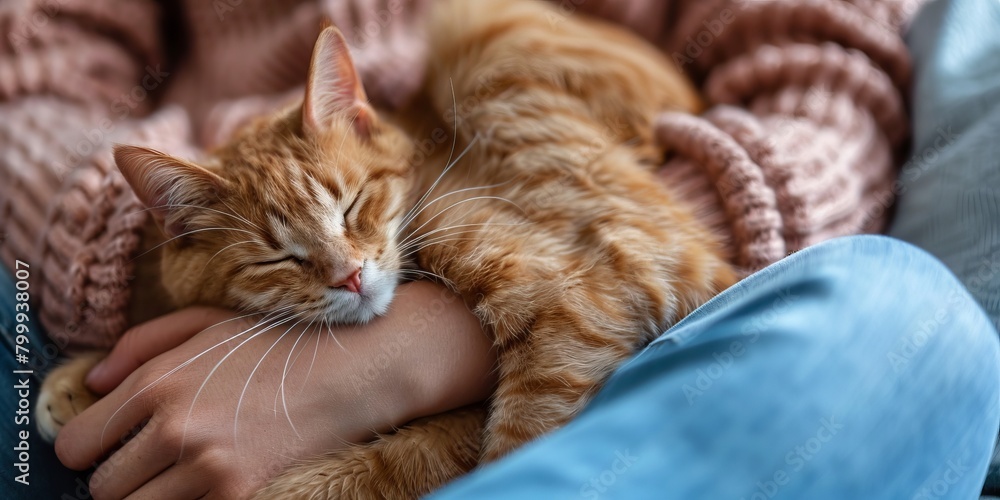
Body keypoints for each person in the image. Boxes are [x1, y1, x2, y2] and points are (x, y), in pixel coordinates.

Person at [2, 0, 998, 498]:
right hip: (176, 292)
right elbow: (25, 84)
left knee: (916, 327)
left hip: (615, 223)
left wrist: (439, 337)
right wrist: (142, 267)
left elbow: (827, 95)